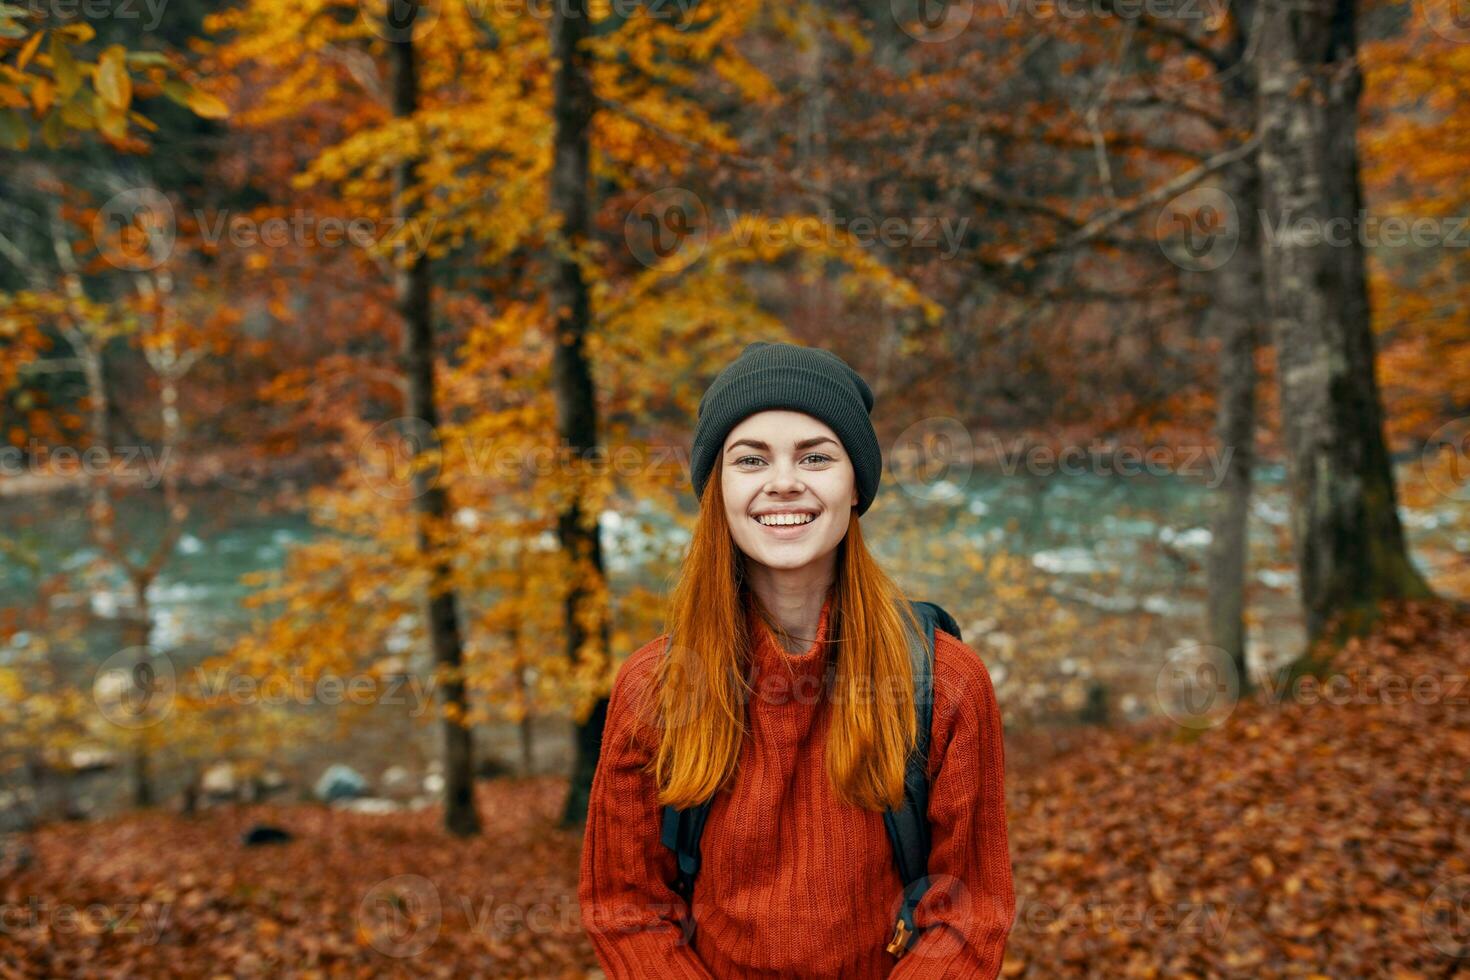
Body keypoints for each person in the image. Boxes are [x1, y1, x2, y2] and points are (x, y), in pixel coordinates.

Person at [578, 340, 1015, 978]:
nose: (784, 482)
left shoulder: (946, 684)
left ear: (856, 486)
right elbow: (626, 907)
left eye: (815, 456)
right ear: (717, 490)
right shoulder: (656, 689)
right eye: (750, 460)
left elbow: (969, 913)